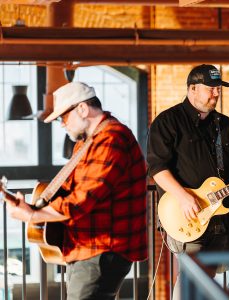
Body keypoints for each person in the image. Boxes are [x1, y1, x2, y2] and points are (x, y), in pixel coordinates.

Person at [7, 82, 147, 300]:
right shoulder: (87, 144)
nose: (62, 124)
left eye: (64, 117)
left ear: (82, 109)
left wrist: (34, 215)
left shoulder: (112, 139)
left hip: (102, 249)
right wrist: (34, 206)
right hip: (86, 248)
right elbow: (70, 191)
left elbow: (82, 200)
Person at [147, 64, 229, 299]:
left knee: (210, 281)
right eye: (211, 88)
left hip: (222, 217)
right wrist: (183, 197)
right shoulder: (168, 122)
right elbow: (157, 168)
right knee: (192, 279)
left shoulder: (226, 126)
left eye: (218, 89)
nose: (216, 93)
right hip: (187, 214)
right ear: (192, 89)